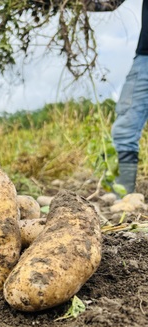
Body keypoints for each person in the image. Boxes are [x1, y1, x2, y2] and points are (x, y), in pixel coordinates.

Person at [88, 0, 148, 194]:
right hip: (145, 59)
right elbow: (110, 3)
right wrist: (58, 4)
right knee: (125, 128)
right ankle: (124, 198)